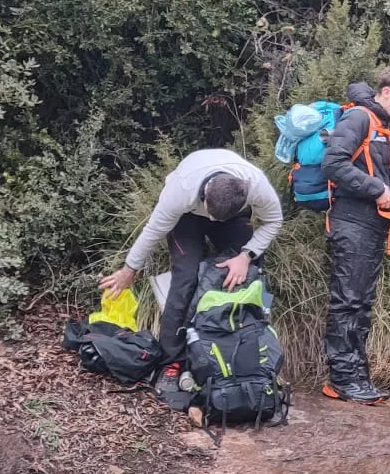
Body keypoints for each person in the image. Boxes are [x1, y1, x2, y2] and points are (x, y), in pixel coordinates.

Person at [98, 150, 283, 388]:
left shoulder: (255, 184)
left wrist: (246, 256)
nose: (214, 222)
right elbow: (153, 232)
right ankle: (172, 362)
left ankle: (252, 348)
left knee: (251, 272)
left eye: (217, 220)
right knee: (186, 277)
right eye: (212, 217)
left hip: (232, 213)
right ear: (205, 195)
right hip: (187, 216)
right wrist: (129, 270)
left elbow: (274, 220)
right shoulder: (180, 191)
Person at [319, 68, 390, 403]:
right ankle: (341, 381)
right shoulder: (359, 118)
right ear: (387, 92)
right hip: (351, 223)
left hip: (375, 226)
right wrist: (376, 190)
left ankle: (358, 378)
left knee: (362, 303)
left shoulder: (387, 128)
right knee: (348, 301)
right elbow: (333, 164)